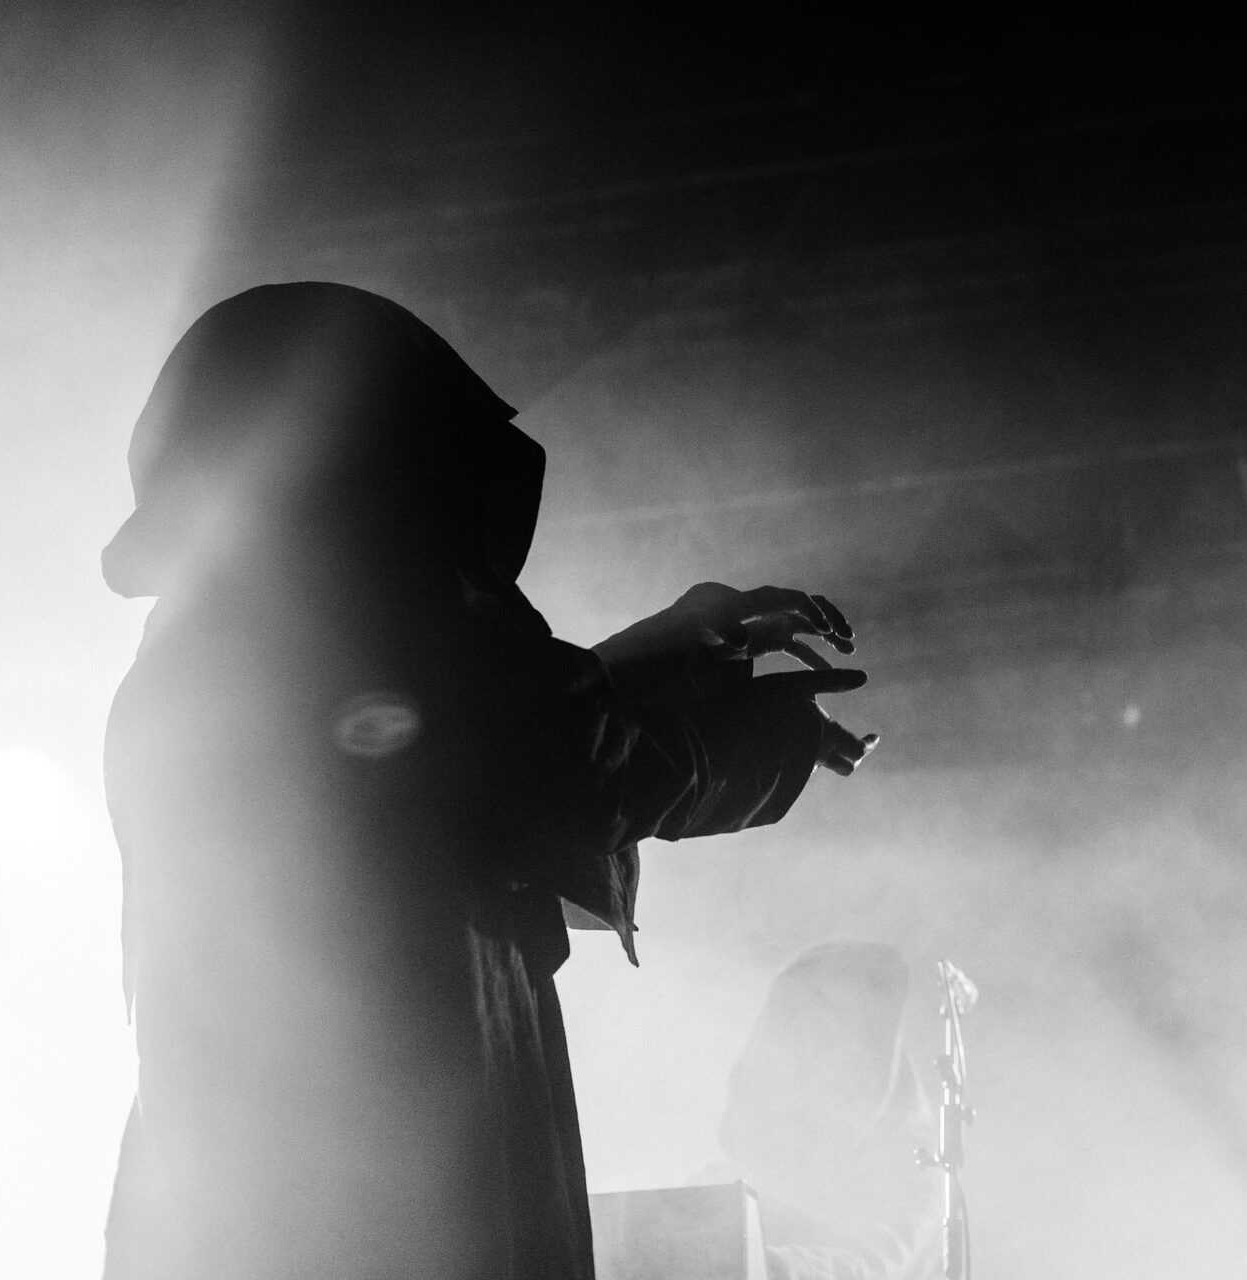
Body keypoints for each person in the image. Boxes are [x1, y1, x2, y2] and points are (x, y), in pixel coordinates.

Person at [98, 282, 875, 1280]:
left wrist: (656, 651)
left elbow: (474, 740)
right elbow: (562, 768)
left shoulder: (205, 650)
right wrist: (771, 735)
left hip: (248, 1189)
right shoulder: (356, 626)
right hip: (396, 1173)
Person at [706, 941, 941, 1280]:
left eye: (825, 1030)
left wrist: (773, 1266)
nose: (805, 1048)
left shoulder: (916, 1167)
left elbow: (879, 1262)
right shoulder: (777, 1151)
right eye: (794, 1026)